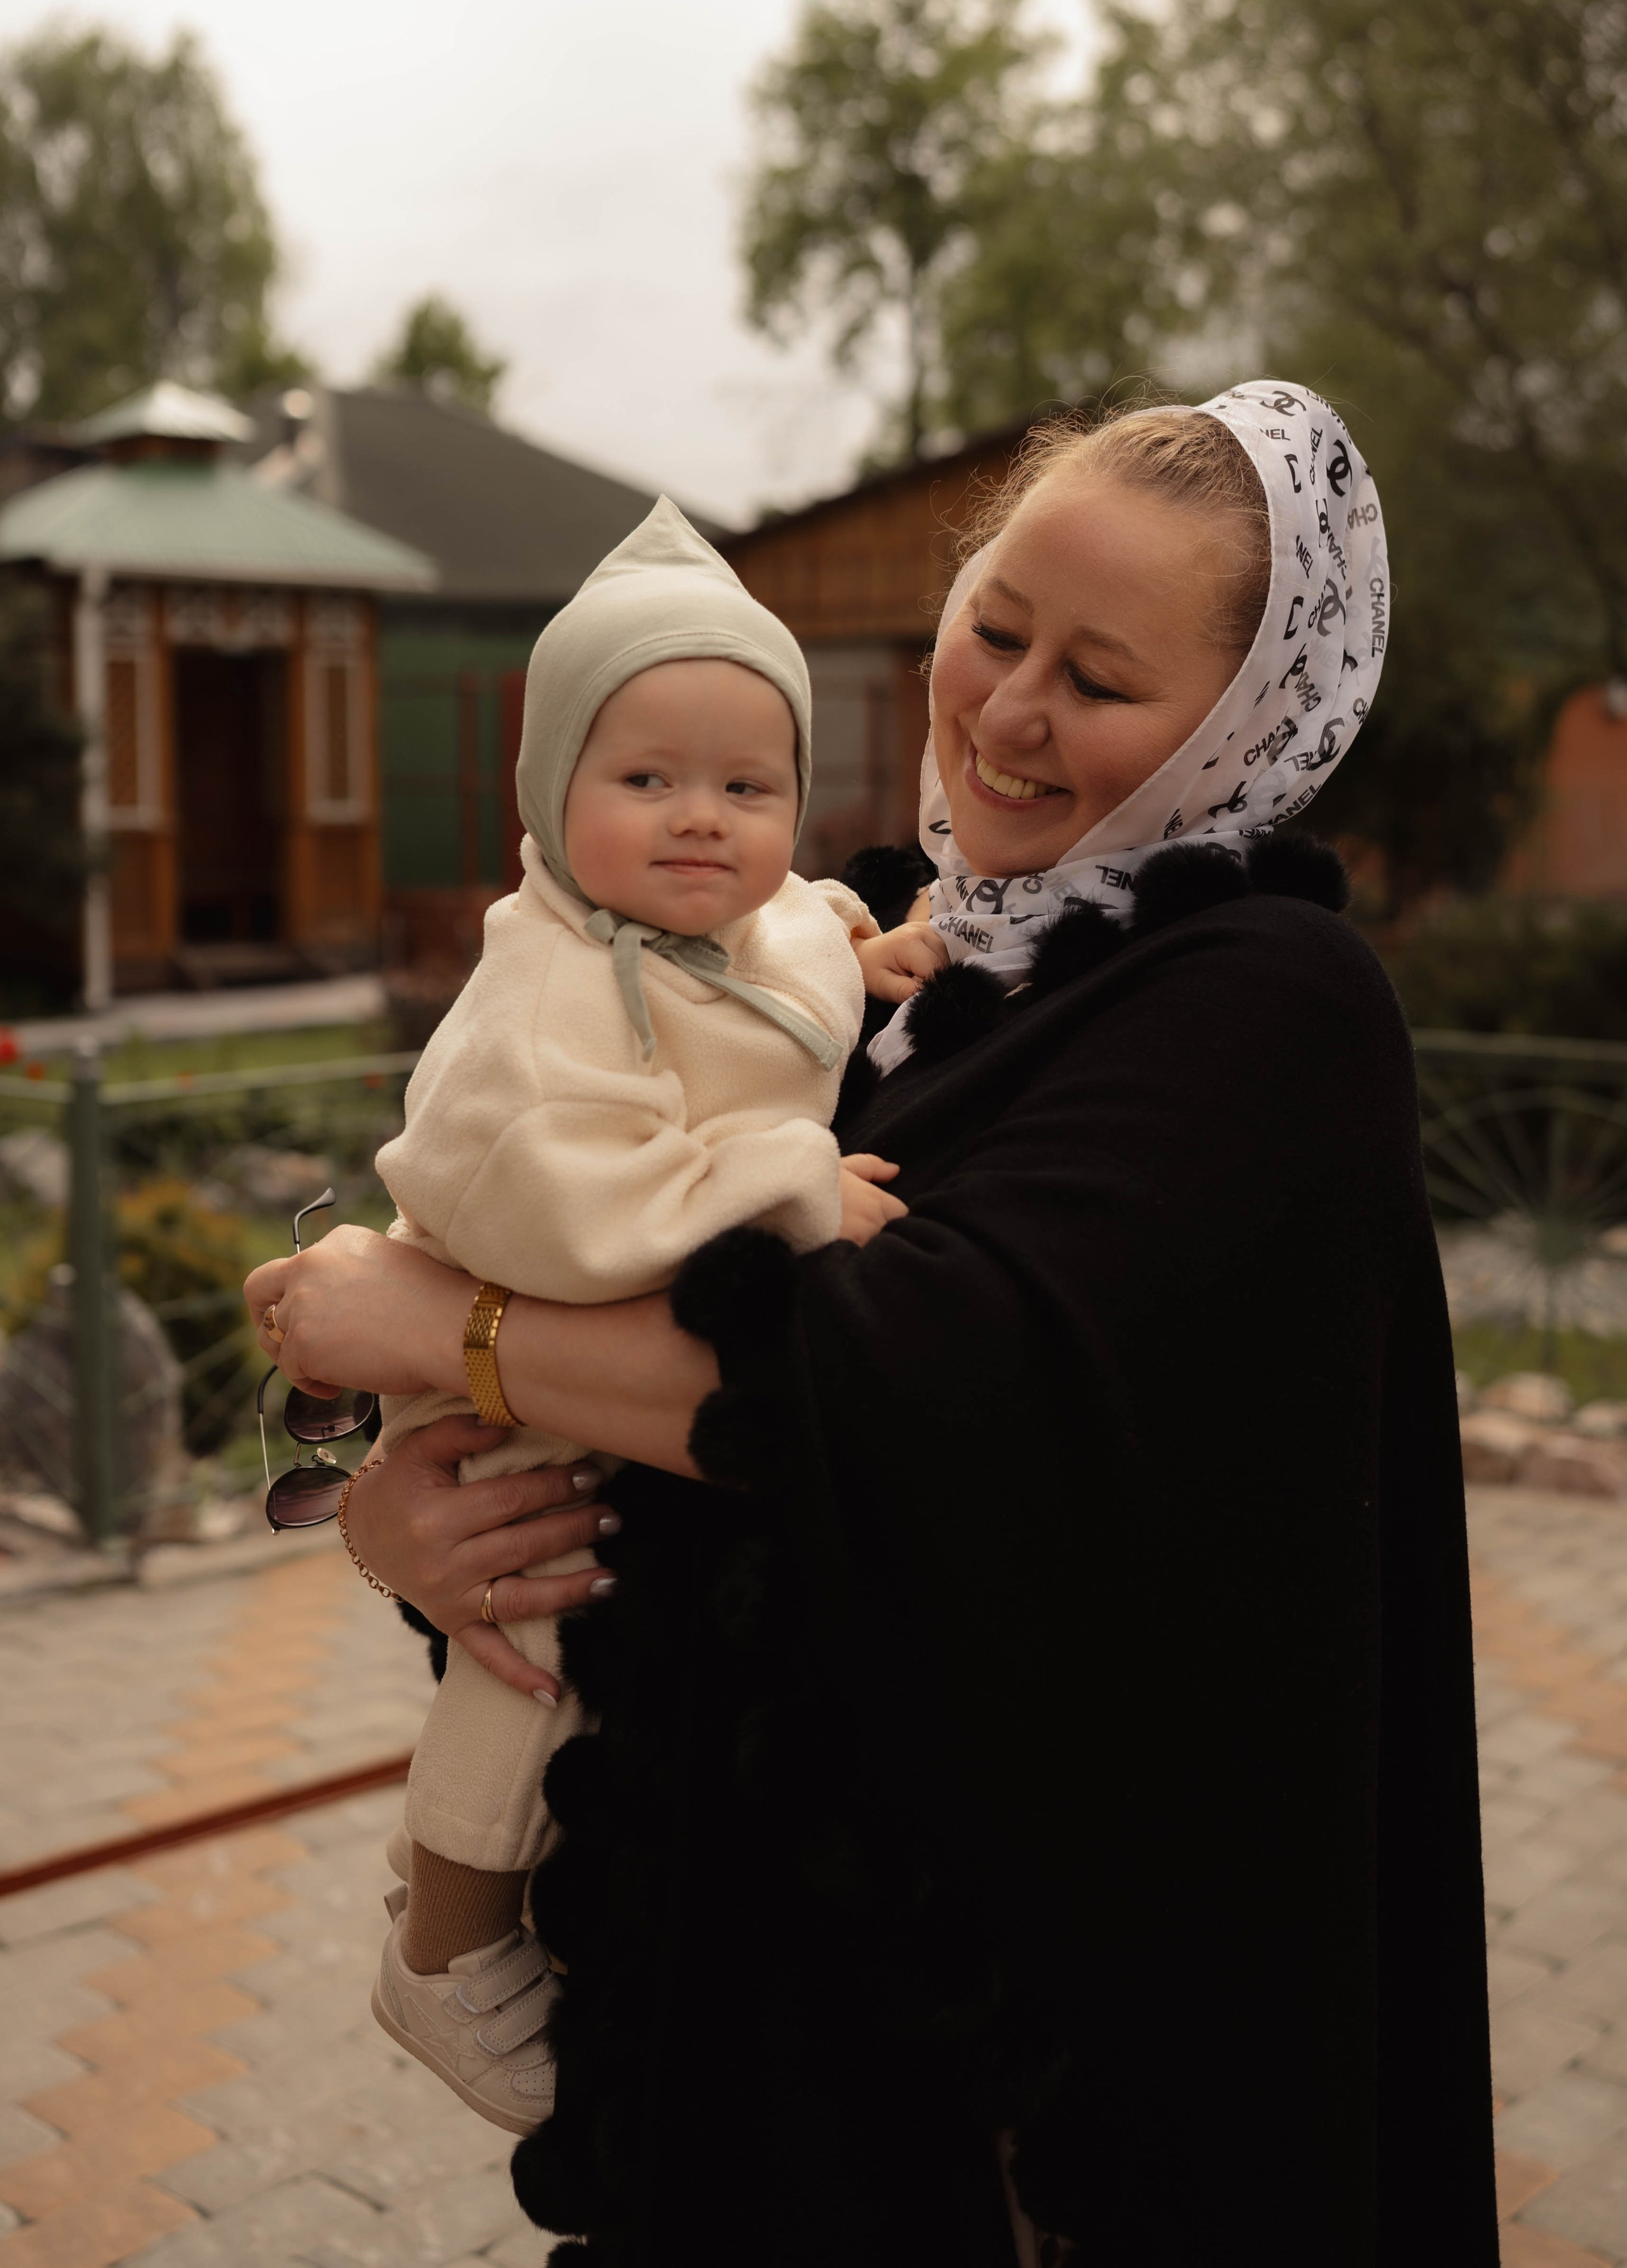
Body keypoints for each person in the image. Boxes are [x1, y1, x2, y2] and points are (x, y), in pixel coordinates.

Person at [247, 383, 1498, 2267]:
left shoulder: (1262, 1006)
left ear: (1241, 728)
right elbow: (586, 1279)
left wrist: (440, 1323)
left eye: (1100, 679)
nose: (1009, 711)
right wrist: (399, 1515)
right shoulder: (851, 946)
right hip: (720, 1980)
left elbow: (895, 1393)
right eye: (997, 626)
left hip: (984, 2047)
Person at [347, 497, 939, 2131]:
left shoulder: (744, 917)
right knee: (535, 1640)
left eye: (747, 786)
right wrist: (793, 1179)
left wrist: (873, 941)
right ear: (550, 793)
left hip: (576, 1338)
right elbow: (582, 1214)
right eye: (646, 780)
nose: (702, 822)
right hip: (506, 1348)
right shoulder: (536, 1007)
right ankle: (442, 1946)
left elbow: (804, 919)